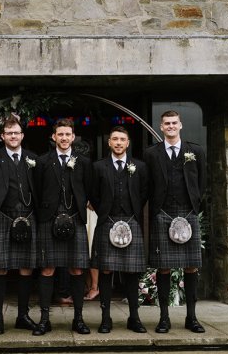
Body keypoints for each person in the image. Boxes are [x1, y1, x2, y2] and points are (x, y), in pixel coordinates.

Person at [143, 110, 207, 334]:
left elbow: (202, 182)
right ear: (161, 127)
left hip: (188, 212)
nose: (170, 126)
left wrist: (195, 205)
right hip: (162, 213)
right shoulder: (151, 153)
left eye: (174, 123)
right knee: (163, 268)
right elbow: (147, 184)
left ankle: (192, 318)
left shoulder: (195, 151)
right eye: (166, 123)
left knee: (191, 266)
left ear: (181, 125)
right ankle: (164, 318)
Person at [0, 116, 39, 334]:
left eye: (17, 133)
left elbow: (38, 189)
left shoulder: (33, 159)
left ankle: (23, 316)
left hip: (28, 216)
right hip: (2, 218)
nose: (13, 136)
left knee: (26, 267)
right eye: (9, 133)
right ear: (3, 136)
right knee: (0, 268)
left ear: (22, 135)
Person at [33, 118, 92, 336]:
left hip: (75, 218)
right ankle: (44, 319)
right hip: (49, 219)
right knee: (47, 269)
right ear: (53, 137)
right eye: (60, 134)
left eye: (68, 134)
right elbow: (37, 191)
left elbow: (89, 188)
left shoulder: (83, 162)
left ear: (73, 137)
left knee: (77, 268)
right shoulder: (42, 161)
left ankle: (78, 319)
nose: (64, 138)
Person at [89, 126, 148, 334]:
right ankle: (106, 319)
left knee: (132, 272)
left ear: (128, 143)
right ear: (109, 142)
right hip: (107, 221)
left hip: (131, 220)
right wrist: (104, 213)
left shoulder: (139, 166)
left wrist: (132, 212)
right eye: (115, 139)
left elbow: (143, 193)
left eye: (122, 139)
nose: (118, 143)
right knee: (105, 271)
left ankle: (134, 317)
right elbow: (93, 194)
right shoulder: (98, 167)